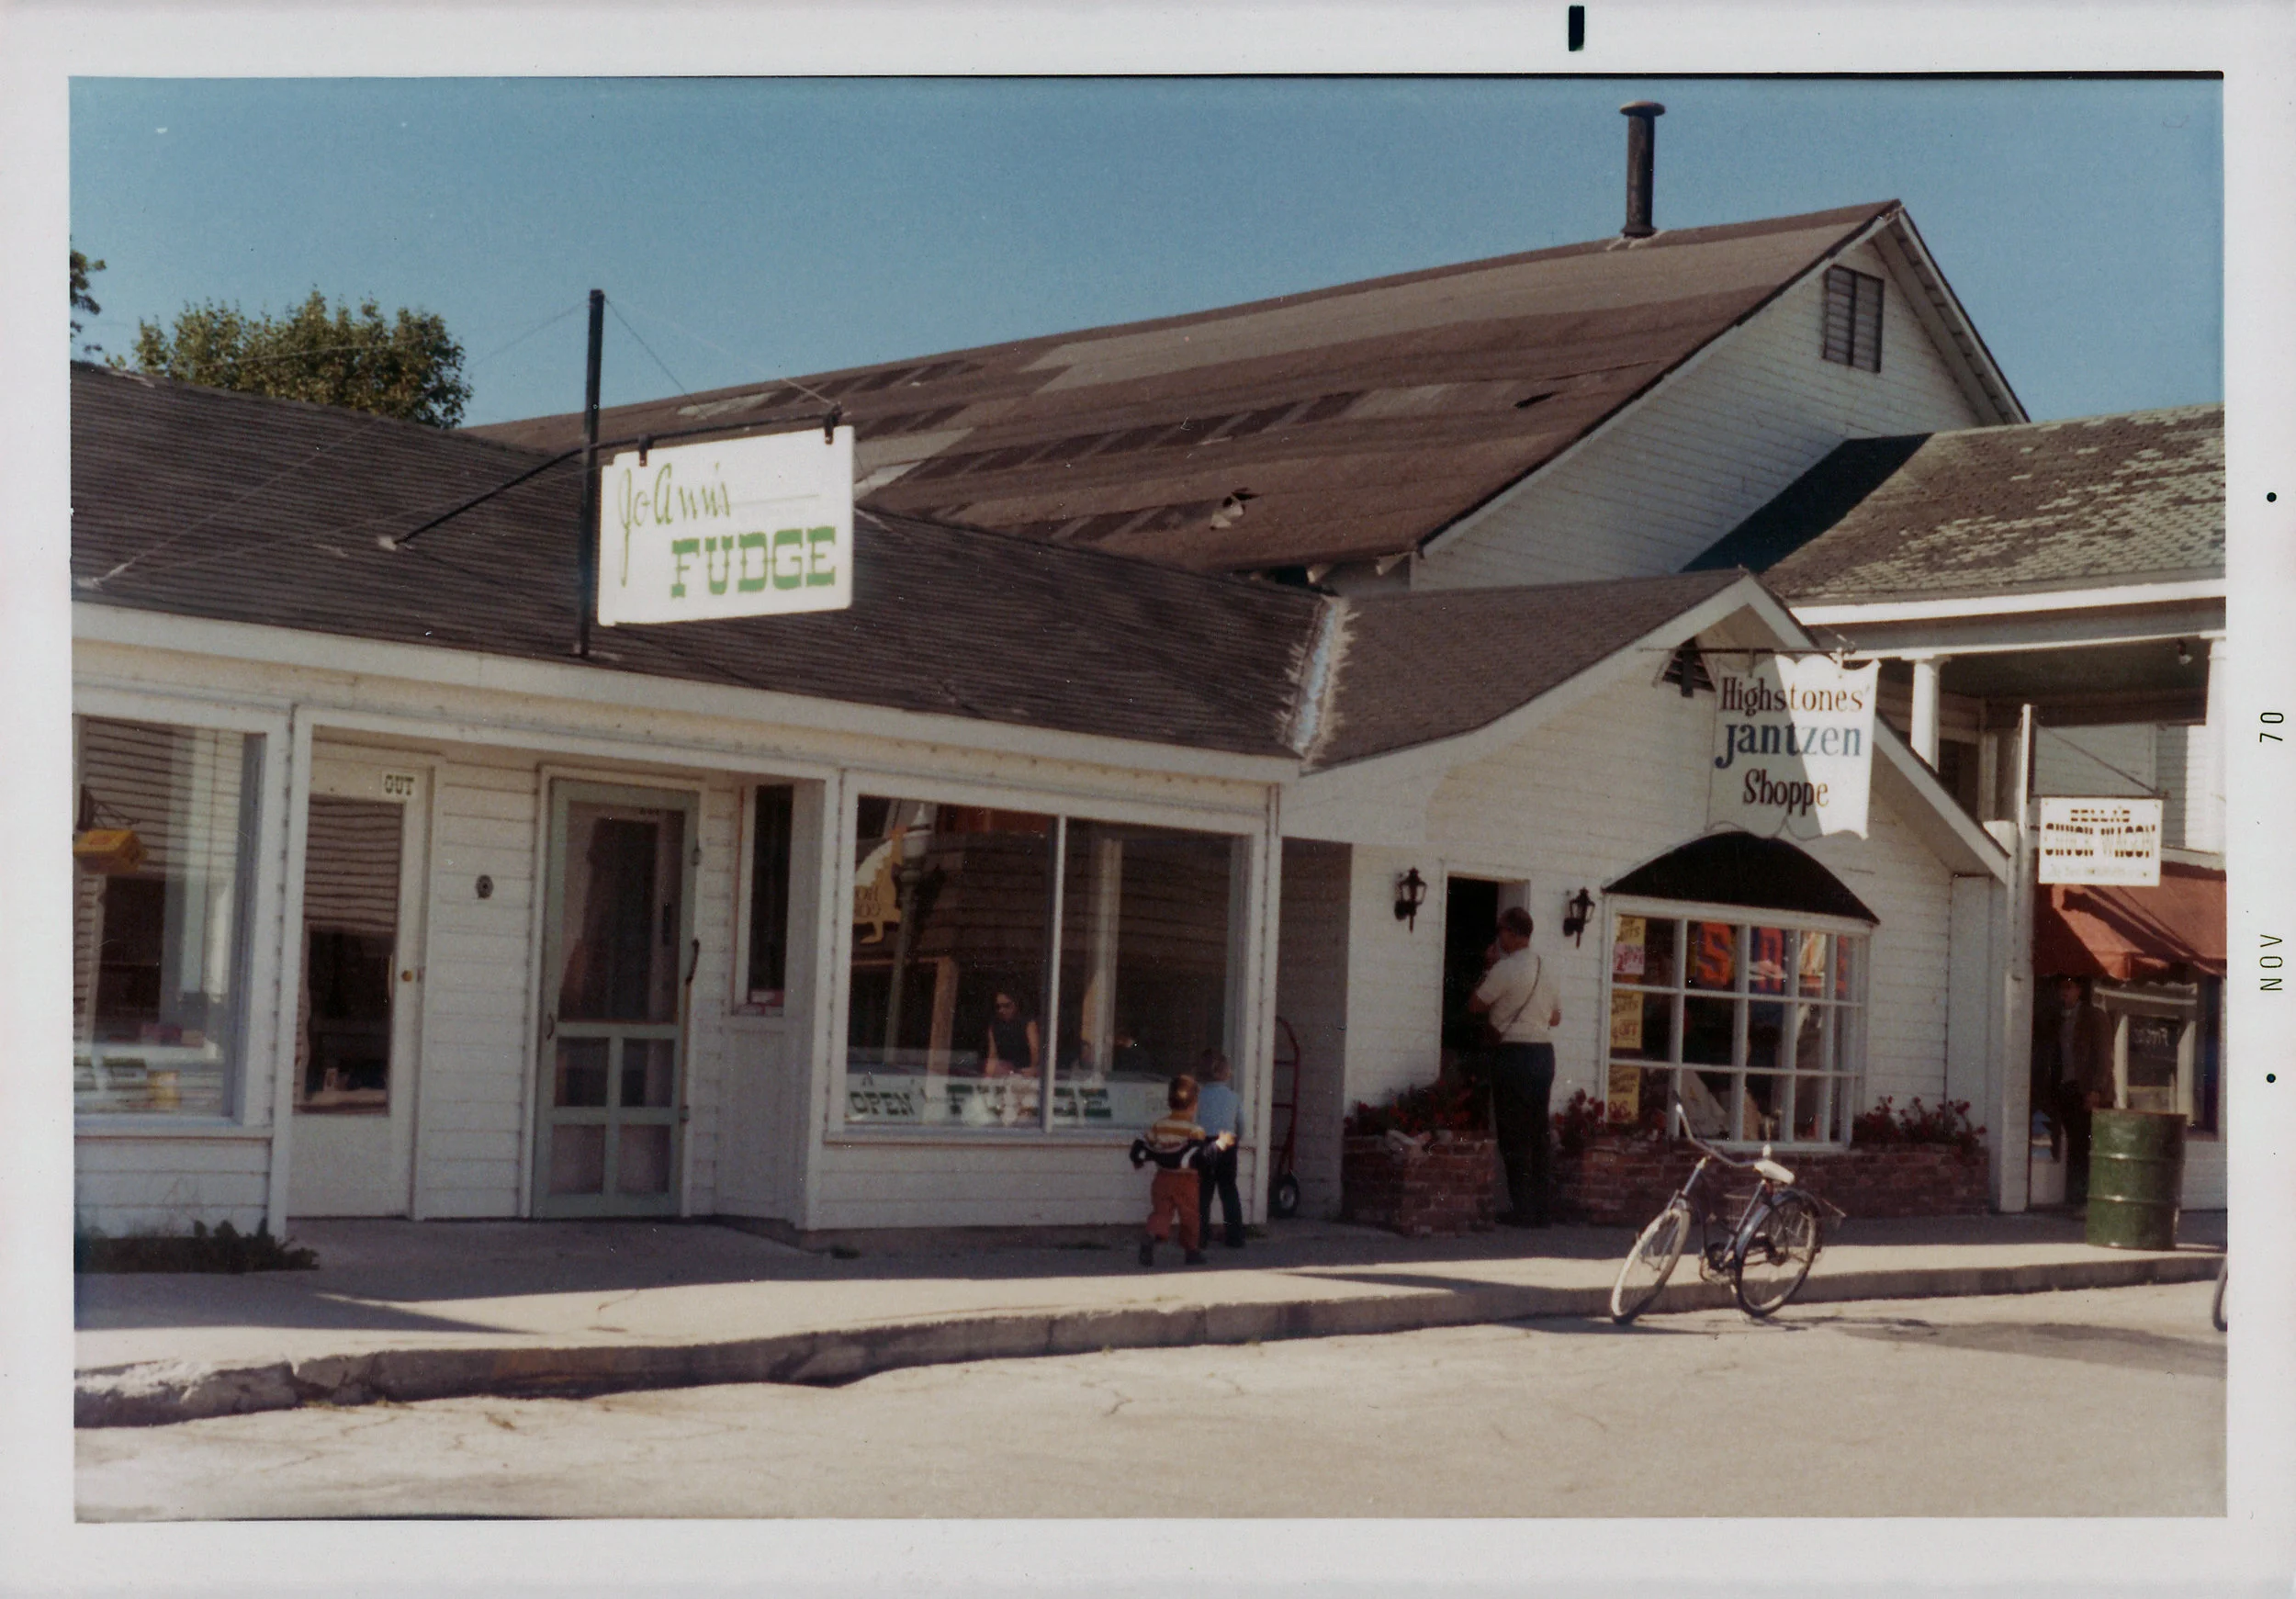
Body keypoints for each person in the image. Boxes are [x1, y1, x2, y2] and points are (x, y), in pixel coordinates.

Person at [1469, 906, 1561, 1228]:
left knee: (1513, 1132)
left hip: (1514, 1054)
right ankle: (1541, 1209)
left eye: (1501, 932)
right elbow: (1556, 1017)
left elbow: (1476, 1004)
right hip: (1543, 1054)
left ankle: (1521, 1209)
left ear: (1510, 932)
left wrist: (1488, 966)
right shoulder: (1544, 968)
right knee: (1538, 1131)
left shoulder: (1504, 969)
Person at [1129, 1074, 1231, 1267]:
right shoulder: (1195, 1130)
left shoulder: (1160, 1125)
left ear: (1169, 1101)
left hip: (1162, 1178)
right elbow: (1201, 1155)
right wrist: (1220, 1144)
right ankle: (1192, 1251)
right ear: (1194, 1104)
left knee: (1161, 1213)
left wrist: (1139, 1160)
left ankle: (1151, 1235)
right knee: (1190, 1216)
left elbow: (1147, 1143)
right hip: (1187, 1180)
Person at [2031, 974, 2114, 1204]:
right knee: (2068, 1142)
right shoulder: (2058, 1019)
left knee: (2083, 1144)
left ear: (2079, 990)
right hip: (2064, 1087)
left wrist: (2096, 1089)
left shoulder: (2093, 1017)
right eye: (2061, 989)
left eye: (2069, 988)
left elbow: (2104, 1057)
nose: (2064, 993)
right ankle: (2071, 1197)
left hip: (2086, 1088)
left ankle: (2084, 1199)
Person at [1192, 1050, 1246, 1249]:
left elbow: (1194, 1122)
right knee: (1229, 1189)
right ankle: (1235, 1236)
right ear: (1225, 1073)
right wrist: (1235, 1139)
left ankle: (1200, 1237)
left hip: (1206, 1142)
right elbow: (1241, 1123)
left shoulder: (1199, 1096)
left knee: (1204, 1191)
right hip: (1227, 1140)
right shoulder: (1233, 1097)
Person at [982, 989, 1041, 1077]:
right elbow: (993, 1054)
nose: (1001, 1010)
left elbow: (1035, 1051)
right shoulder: (994, 1026)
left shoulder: (1028, 1023)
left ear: (1016, 1004)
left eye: (1007, 1006)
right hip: (1006, 1072)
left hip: (1025, 1072)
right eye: (998, 1007)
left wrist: (1032, 1070)